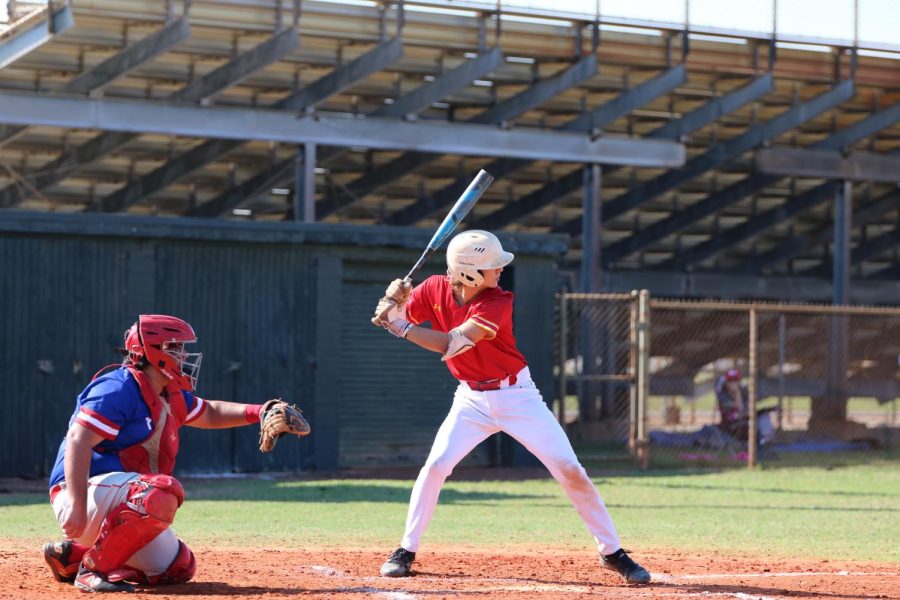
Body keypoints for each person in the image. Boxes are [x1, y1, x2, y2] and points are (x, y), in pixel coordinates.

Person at [370, 230, 650, 584]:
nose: (500, 270)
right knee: (437, 465)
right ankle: (406, 549)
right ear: (469, 273)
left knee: (569, 468)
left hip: (517, 395)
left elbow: (452, 344)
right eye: (492, 266)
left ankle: (612, 552)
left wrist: (399, 324)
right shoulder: (433, 289)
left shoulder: (497, 301)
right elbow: (395, 317)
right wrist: (392, 304)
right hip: (470, 399)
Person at [42, 314, 309, 593]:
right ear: (152, 351)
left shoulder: (167, 393)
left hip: (118, 497)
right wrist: (75, 503)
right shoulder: (119, 387)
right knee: (161, 493)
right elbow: (77, 440)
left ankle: (72, 558)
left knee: (179, 567)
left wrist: (261, 411)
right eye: (176, 347)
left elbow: (210, 411)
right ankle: (94, 568)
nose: (183, 355)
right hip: (81, 492)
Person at [714, 368, 776, 445]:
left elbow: (747, 411)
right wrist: (737, 393)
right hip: (731, 425)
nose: (733, 383)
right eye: (730, 380)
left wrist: (765, 410)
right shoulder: (724, 396)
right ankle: (759, 444)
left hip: (745, 420)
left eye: (735, 380)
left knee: (764, 416)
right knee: (751, 424)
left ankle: (765, 442)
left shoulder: (744, 394)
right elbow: (740, 410)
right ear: (726, 382)